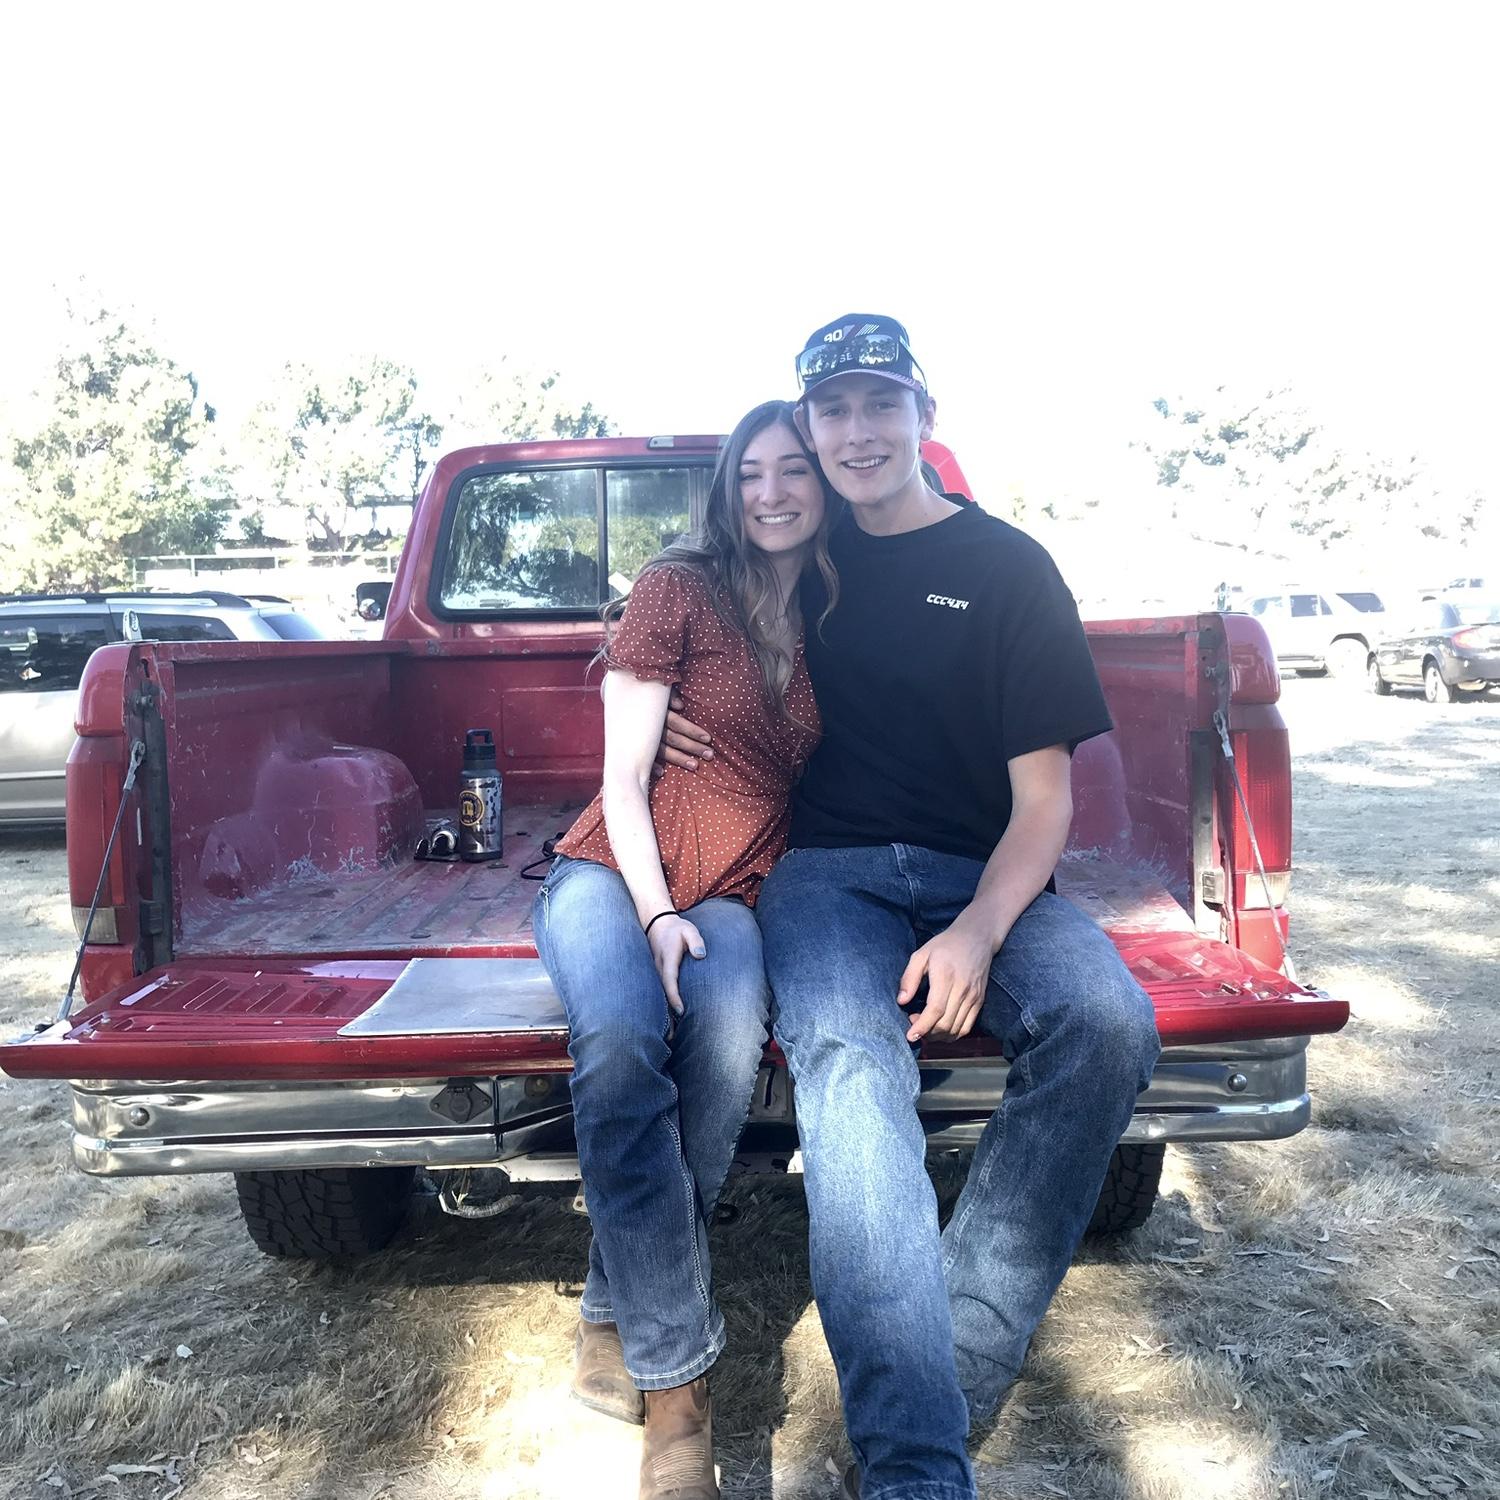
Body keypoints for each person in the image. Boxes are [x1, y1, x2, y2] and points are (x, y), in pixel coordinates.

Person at [660, 317, 1162, 1500]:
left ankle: (951, 1370)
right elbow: (668, 606)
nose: (855, 432)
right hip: (828, 878)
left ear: (924, 417)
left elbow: (1045, 801)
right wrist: (649, 701)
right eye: (830, 410)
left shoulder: (1008, 568)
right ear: (807, 428)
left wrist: (977, 932)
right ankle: (915, 1467)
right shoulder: (794, 552)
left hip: (985, 873)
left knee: (1107, 1025)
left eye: (878, 404)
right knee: (851, 1071)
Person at [532, 399, 838, 1500]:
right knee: (620, 1044)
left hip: (736, 889)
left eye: (793, 469)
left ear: (824, 482)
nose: (771, 493)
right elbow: (621, 780)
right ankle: (679, 1402)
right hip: (614, 873)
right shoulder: (676, 588)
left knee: (721, 1054)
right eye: (750, 472)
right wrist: (658, 916)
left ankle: (611, 1304)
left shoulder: (840, 609)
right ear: (726, 487)